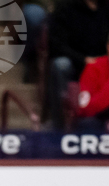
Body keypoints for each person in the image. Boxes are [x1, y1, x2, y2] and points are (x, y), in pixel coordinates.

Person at [48, 0, 109, 128]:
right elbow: (57, 45)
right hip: (76, 62)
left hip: (102, 62)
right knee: (61, 65)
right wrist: (83, 59)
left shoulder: (106, 8)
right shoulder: (65, 8)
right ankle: (60, 126)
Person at [78, 34, 109, 126]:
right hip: (100, 119)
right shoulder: (93, 67)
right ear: (107, 46)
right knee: (88, 123)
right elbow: (85, 108)